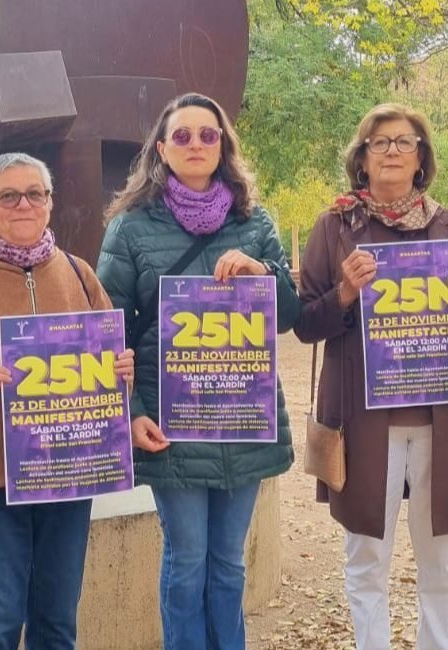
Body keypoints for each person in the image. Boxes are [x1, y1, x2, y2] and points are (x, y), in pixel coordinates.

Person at [96, 92, 300, 650]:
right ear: (161, 149)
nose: (195, 144)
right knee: (186, 562)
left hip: (242, 416)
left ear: (223, 146)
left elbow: (290, 313)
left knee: (229, 565)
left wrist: (262, 273)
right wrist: (132, 413)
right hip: (172, 420)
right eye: (181, 136)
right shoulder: (131, 228)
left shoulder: (255, 222)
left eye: (207, 135)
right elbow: (108, 329)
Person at [294, 103, 448, 650]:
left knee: (444, 565)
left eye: (403, 142)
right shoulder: (334, 227)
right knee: (366, 559)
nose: (390, 152)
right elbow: (304, 324)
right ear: (361, 159)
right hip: (363, 422)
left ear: (421, 157)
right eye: (378, 143)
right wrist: (342, 294)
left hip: (442, 421)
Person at [0, 152, 134, 650]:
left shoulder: (78, 273)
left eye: (35, 193)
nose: (23, 204)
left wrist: (121, 372)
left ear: (50, 204)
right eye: (8, 195)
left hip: (65, 483)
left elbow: (108, 362)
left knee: (57, 624)